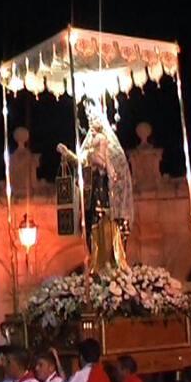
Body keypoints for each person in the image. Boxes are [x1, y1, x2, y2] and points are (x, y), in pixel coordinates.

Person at [56, 97, 134, 272]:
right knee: (92, 229)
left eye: (94, 115)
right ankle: (96, 264)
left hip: (104, 194)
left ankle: (110, 265)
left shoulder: (105, 145)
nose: (91, 119)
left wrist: (101, 164)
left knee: (105, 224)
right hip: (90, 196)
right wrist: (67, 153)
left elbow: (111, 167)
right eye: (89, 116)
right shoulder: (88, 147)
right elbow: (80, 161)